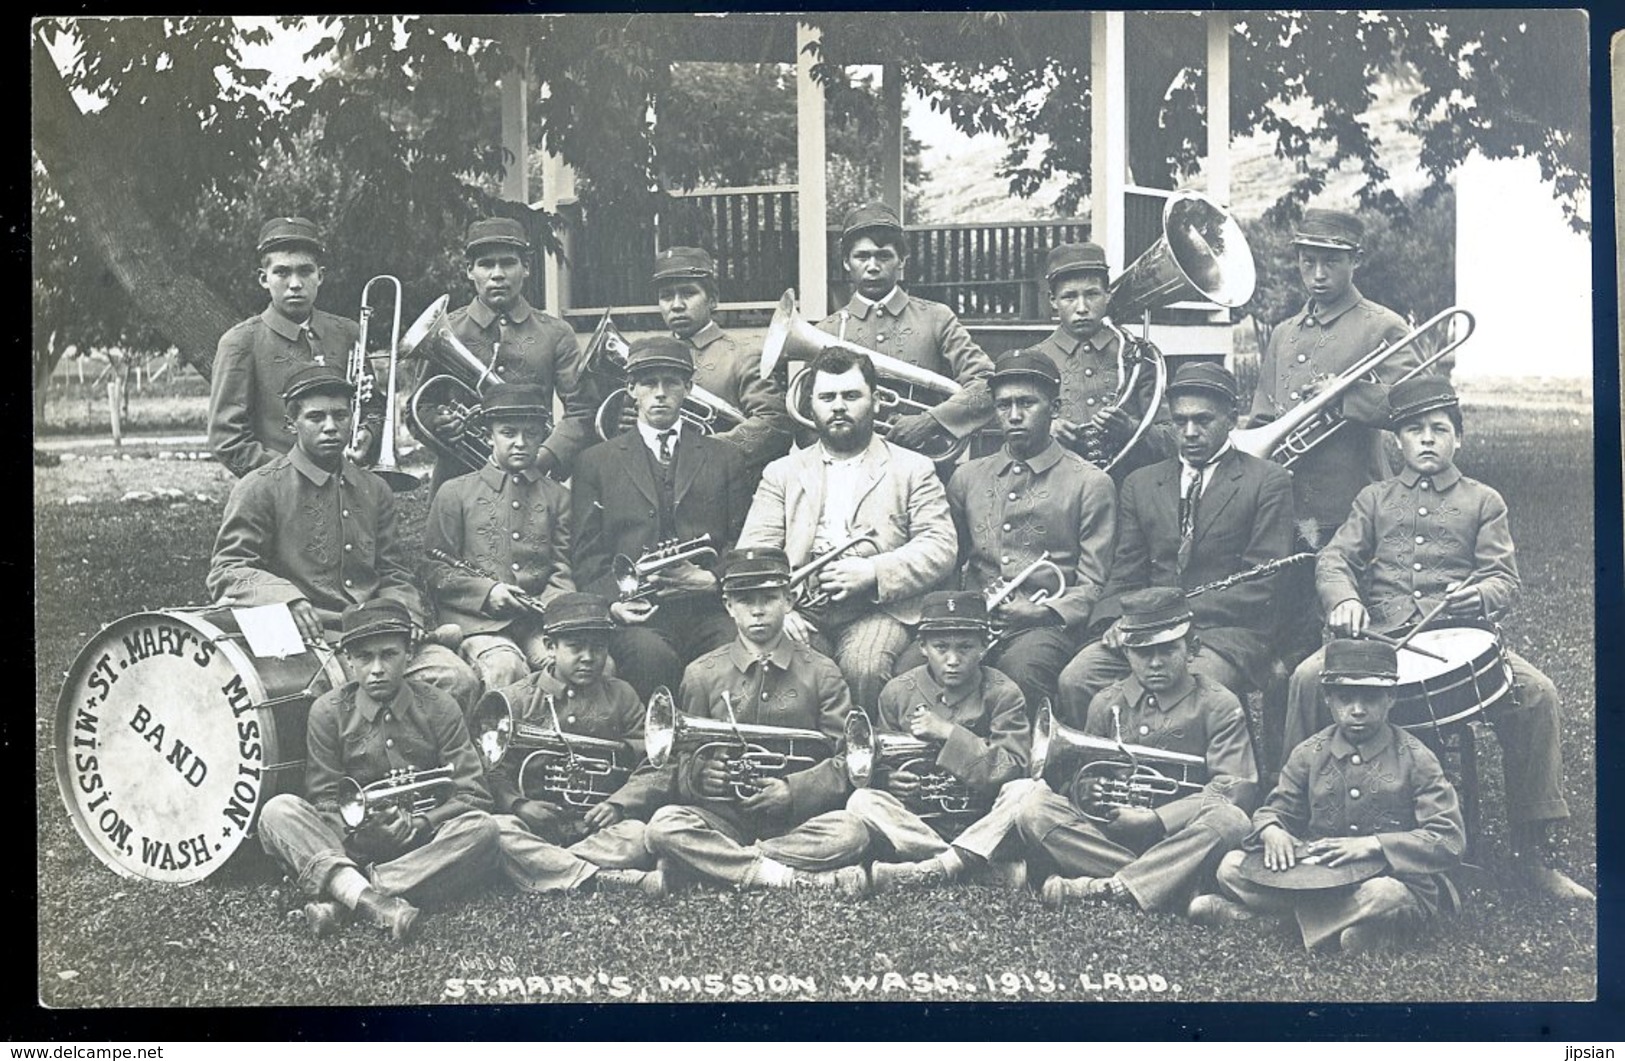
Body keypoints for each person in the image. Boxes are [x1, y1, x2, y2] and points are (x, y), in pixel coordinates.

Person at [1280, 377, 1593, 901]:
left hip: (1461, 637)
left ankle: (1531, 852)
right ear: (1396, 441)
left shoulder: (1484, 500)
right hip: (1378, 637)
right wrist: (1345, 601)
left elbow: (1504, 579)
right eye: (1413, 430)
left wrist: (1477, 596)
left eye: (1439, 429)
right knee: (1309, 677)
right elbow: (1335, 559)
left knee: (1538, 694)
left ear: (1458, 440)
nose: (1426, 439)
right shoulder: (1374, 498)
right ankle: (1291, 824)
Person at [208, 364, 480, 709]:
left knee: (458, 681)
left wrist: (406, 616)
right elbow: (228, 569)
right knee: (332, 704)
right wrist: (286, 598)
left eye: (340, 415)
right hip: (305, 643)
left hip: (376, 636)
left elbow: (392, 571)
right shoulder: (260, 488)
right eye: (315, 417)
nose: (330, 427)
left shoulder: (373, 488)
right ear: (292, 423)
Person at [1244, 208, 1428, 666]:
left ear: (1355, 261)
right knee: (1286, 641)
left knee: (1351, 632)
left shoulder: (1382, 326)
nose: (1318, 274)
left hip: (1350, 505)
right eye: (1309, 262)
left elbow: (1420, 409)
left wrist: (1344, 395)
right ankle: (1289, 736)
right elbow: (1262, 414)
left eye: (1331, 262)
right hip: (1289, 510)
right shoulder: (1285, 333)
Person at [257, 599, 501, 942]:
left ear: (409, 654)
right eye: (364, 657)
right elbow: (324, 799)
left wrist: (420, 824)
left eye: (388, 654)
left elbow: (473, 793)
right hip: (351, 845)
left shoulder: (440, 706)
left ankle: (346, 897)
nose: (376, 669)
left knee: (483, 830)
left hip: (423, 844)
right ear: (348, 660)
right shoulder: (328, 712)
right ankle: (376, 901)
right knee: (278, 811)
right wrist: (360, 834)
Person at [1057, 363, 1294, 710]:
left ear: (1231, 419)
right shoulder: (1140, 483)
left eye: (1203, 420)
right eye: (1179, 422)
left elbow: (1262, 585)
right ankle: (1103, 765)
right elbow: (1126, 572)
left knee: (1192, 692)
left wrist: (1167, 619)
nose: (1190, 432)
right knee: (1076, 679)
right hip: (1144, 631)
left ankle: (1195, 765)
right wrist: (1112, 619)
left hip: (1223, 634)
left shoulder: (1268, 481)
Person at [1207, 639, 1464, 953]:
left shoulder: (1416, 759)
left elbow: (1448, 838)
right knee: (1231, 867)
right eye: (1345, 698)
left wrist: (1373, 845)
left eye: (1370, 699)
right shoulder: (1309, 753)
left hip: (1389, 878)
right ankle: (1349, 927)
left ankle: (1275, 925)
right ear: (1327, 698)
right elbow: (1277, 809)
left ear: (1391, 698)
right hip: (1318, 878)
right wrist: (1272, 830)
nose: (1357, 710)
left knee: (1386, 896)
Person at [737, 345, 959, 709]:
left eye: (851, 395)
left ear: (875, 402)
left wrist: (873, 571)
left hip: (879, 608)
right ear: (812, 407)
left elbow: (940, 546)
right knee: (785, 667)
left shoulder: (913, 468)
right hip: (802, 607)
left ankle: (863, 761)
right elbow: (754, 553)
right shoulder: (782, 473)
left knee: (865, 667)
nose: (838, 406)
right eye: (827, 397)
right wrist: (782, 609)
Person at [1016, 588, 1258, 918]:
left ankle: (1109, 887)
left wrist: (1157, 818)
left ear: (1192, 649)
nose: (1155, 662)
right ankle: (1169, 885)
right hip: (1117, 841)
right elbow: (1084, 781)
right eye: (1143, 652)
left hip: (1182, 837)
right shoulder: (1105, 702)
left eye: (1167, 649)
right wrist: (1088, 790)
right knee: (1034, 807)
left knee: (1230, 821)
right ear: (1126, 653)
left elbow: (1233, 788)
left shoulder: (1218, 704)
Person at [643, 548, 872, 894]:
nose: (758, 610)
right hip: (723, 821)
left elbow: (847, 761)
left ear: (789, 600)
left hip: (796, 824)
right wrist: (703, 775)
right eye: (745, 600)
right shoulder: (701, 674)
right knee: (662, 826)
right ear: (728, 607)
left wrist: (792, 791)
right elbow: (682, 764)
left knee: (852, 831)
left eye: (769, 598)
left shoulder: (822, 672)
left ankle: (717, 866)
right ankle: (787, 877)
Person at [572, 336, 751, 701]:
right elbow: (587, 555)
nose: (660, 393)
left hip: (709, 609)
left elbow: (743, 541)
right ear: (631, 389)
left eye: (671, 382)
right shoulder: (595, 462)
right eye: (648, 383)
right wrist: (613, 604)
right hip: (640, 614)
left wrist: (713, 580)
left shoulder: (725, 457)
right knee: (649, 658)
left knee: (734, 653)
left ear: (688, 388)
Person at [941, 348, 1116, 713]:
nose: (1015, 416)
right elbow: (949, 564)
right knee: (913, 668)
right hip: (974, 623)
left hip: (1046, 628)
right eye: (1004, 405)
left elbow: (1094, 582)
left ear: (1054, 408)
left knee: (1018, 674)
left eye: (1027, 403)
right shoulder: (967, 476)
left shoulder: (1090, 482)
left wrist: (1045, 612)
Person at [848, 591, 1033, 891]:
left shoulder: (1003, 692)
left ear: (984, 647)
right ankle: (971, 867)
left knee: (1027, 791)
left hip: (981, 819)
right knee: (861, 801)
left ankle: (934, 869)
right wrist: (888, 779)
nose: (953, 660)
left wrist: (948, 733)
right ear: (922, 647)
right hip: (919, 822)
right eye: (940, 647)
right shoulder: (897, 692)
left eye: (965, 648)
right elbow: (879, 760)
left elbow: (1012, 769)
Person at [484, 593, 667, 896]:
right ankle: (605, 878)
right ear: (549, 647)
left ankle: (548, 869)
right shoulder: (515, 700)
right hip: (534, 827)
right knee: (497, 830)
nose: (588, 657)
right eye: (575, 647)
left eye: (598, 648)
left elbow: (655, 763)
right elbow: (493, 770)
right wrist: (519, 804)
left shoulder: (622, 695)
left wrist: (618, 804)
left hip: (600, 828)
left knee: (640, 834)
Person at [420, 217, 596, 495]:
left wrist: (544, 456)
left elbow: (582, 409)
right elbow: (421, 404)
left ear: (525, 268)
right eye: (486, 264)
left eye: (508, 263)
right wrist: (440, 425)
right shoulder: (447, 329)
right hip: (457, 483)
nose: (497, 274)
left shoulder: (556, 333)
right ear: (469, 271)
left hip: (533, 481)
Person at [816, 202, 995, 463]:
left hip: (924, 464)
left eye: (884, 256)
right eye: (862, 257)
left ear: (902, 261)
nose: (873, 266)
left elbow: (987, 383)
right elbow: (807, 416)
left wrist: (930, 421)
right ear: (846, 262)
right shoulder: (827, 331)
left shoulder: (936, 318)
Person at [422, 383, 574, 691]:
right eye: (508, 432)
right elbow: (433, 568)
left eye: (531, 434)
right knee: (504, 668)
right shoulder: (455, 492)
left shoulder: (558, 497)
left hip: (539, 622)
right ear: (489, 434)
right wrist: (487, 593)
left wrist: (551, 605)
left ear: (542, 436)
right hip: (477, 623)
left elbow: (564, 566)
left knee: (564, 667)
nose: (520, 443)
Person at [208, 216, 375, 479]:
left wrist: (368, 435)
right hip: (276, 497)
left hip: (347, 489)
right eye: (282, 272)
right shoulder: (240, 342)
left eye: (305, 271)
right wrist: (291, 475)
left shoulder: (348, 333)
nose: (295, 283)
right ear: (264, 279)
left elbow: (372, 406)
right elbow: (227, 438)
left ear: (320, 276)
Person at [1033, 242, 1176, 481]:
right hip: (1057, 492)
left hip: (1130, 490)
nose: (1082, 308)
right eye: (1069, 297)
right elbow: (1008, 433)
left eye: (1092, 294)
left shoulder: (1137, 355)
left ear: (1108, 295)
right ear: (1052, 300)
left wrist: (1131, 429)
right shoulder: (1035, 359)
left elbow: (1173, 437)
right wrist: (1043, 432)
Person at [651, 246, 793, 476]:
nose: (676, 305)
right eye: (666, 296)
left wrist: (703, 451)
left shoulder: (742, 355)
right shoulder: (651, 356)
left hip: (722, 489)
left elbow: (775, 424)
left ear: (713, 300)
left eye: (688, 293)